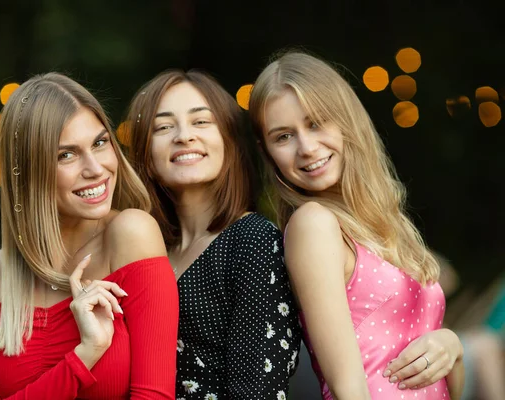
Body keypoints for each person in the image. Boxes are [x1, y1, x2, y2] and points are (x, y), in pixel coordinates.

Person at [248, 51, 465, 400]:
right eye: (283, 136)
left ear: (345, 119)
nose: (306, 147)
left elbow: (448, 383)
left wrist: (452, 347)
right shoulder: (313, 225)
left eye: (316, 122)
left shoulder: (385, 223)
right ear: (267, 151)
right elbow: (347, 388)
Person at [0, 72, 179, 399]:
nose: (96, 169)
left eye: (100, 143)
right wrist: (86, 354)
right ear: (28, 171)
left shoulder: (131, 235)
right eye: (66, 155)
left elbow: (155, 395)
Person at [125, 70, 301, 399]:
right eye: (163, 127)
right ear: (145, 157)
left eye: (201, 122)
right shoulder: (145, 250)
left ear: (229, 141)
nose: (183, 136)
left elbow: (256, 390)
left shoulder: (252, 240)